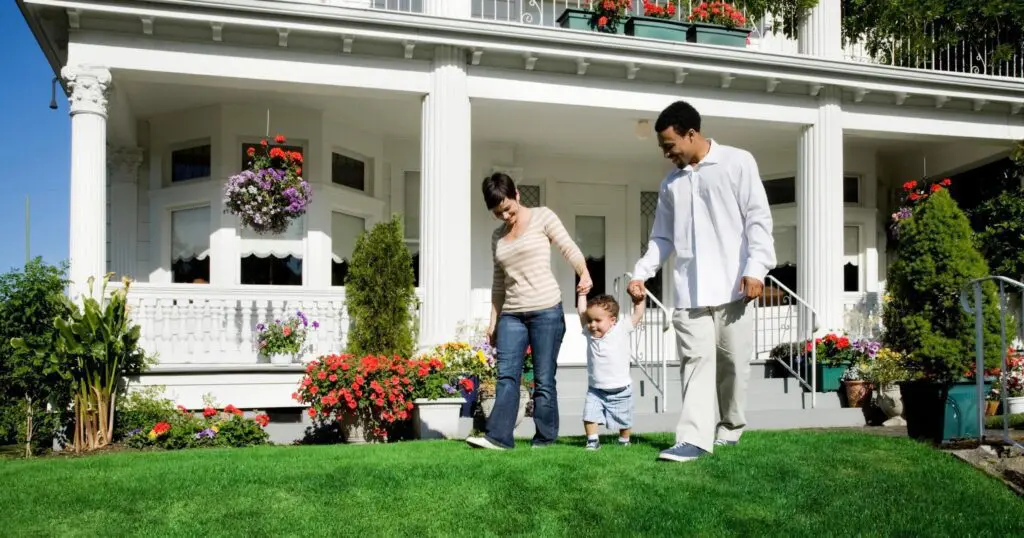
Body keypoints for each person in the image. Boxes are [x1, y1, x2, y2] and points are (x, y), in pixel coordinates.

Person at [627, 100, 776, 463]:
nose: (667, 154)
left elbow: (758, 219)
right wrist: (641, 272)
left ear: (691, 134)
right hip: (690, 292)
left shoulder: (738, 162)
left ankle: (730, 428)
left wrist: (756, 268)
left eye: (669, 145)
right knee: (695, 363)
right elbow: (662, 238)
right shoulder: (670, 184)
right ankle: (693, 438)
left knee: (734, 366)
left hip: (734, 288)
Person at [466, 172, 593, 450]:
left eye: (508, 209)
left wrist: (583, 272)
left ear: (518, 195)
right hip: (512, 314)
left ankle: (545, 439)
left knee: (543, 378)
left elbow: (568, 247)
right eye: (498, 213)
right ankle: (499, 437)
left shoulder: (542, 217)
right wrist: (493, 323)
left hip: (546, 310)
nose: (505, 217)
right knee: (506, 375)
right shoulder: (497, 238)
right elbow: (498, 284)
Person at [577, 293, 644, 450]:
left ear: (612, 320)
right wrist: (582, 294)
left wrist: (639, 300)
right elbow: (581, 312)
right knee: (589, 415)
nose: (592, 324)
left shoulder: (621, 329)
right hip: (596, 389)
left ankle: (624, 439)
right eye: (590, 320)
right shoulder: (589, 332)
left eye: (598, 320)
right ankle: (593, 441)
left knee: (624, 419)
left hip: (621, 389)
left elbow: (638, 314)